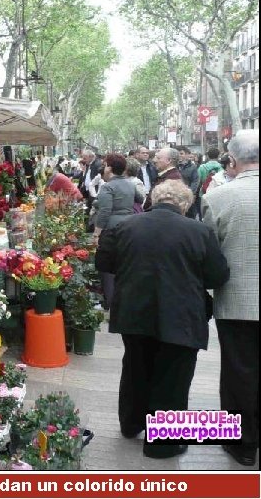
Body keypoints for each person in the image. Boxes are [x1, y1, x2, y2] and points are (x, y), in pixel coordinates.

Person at [96, 180, 230, 459]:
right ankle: (163, 443)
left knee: (135, 365)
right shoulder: (200, 232)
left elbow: (104, 263)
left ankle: (131, 423)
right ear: (185, 204)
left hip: (134, 311)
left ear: (153, 200)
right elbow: (218, 275)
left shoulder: (124, 227)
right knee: (173, 375)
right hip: (181, 314)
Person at [201, 129, 259, 467]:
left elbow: (209, 255)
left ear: (233, 160)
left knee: (239, 370)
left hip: (237, 300)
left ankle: (243, 443)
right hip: (236, 300)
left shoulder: (219, 197)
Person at [93, 154, 145, 309]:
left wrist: (96, 234)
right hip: (130, 226)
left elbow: (105, 212)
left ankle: (110, 303)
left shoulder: (107, 187)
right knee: (125, 264)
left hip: (111, 229)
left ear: (110, 167)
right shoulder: (130, 183)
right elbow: (140, 198)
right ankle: (126, 300)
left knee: (107, 267)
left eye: (105, 165)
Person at [78, 149, 103, 229]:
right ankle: (87, 226)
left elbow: (99, 179)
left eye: (85, 158)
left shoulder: (98, 164)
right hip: (88, 191)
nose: (84, 160)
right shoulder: (89, 164)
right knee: (87, 209)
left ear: (91, 157)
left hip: (94, 192)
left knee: (93, 210)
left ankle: (91, 227)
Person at [177, 146, 200, 218]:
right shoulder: (174, 166)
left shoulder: (193, 167)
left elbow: (195, 181)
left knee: (189, 216)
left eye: (181, 153)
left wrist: (190, 193)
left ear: (187, 155)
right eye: (178, 154)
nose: (179, 156)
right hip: (176, 197)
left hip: (187, 196)